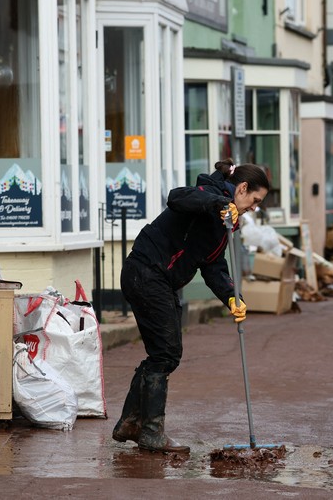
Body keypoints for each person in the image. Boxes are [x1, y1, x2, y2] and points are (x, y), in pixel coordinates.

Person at [112, 158, 269, 454]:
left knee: (164, 354)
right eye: (255, 200)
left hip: (161, 280)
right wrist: (218, 204)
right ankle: (149, 432)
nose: (254, 207)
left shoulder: (226, 221)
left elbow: (213, 265)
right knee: (166, 352)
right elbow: (177, 198)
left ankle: (132, 423)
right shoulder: (205, 193)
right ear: (243, 188)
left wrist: (232, 297)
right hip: (146, 272)